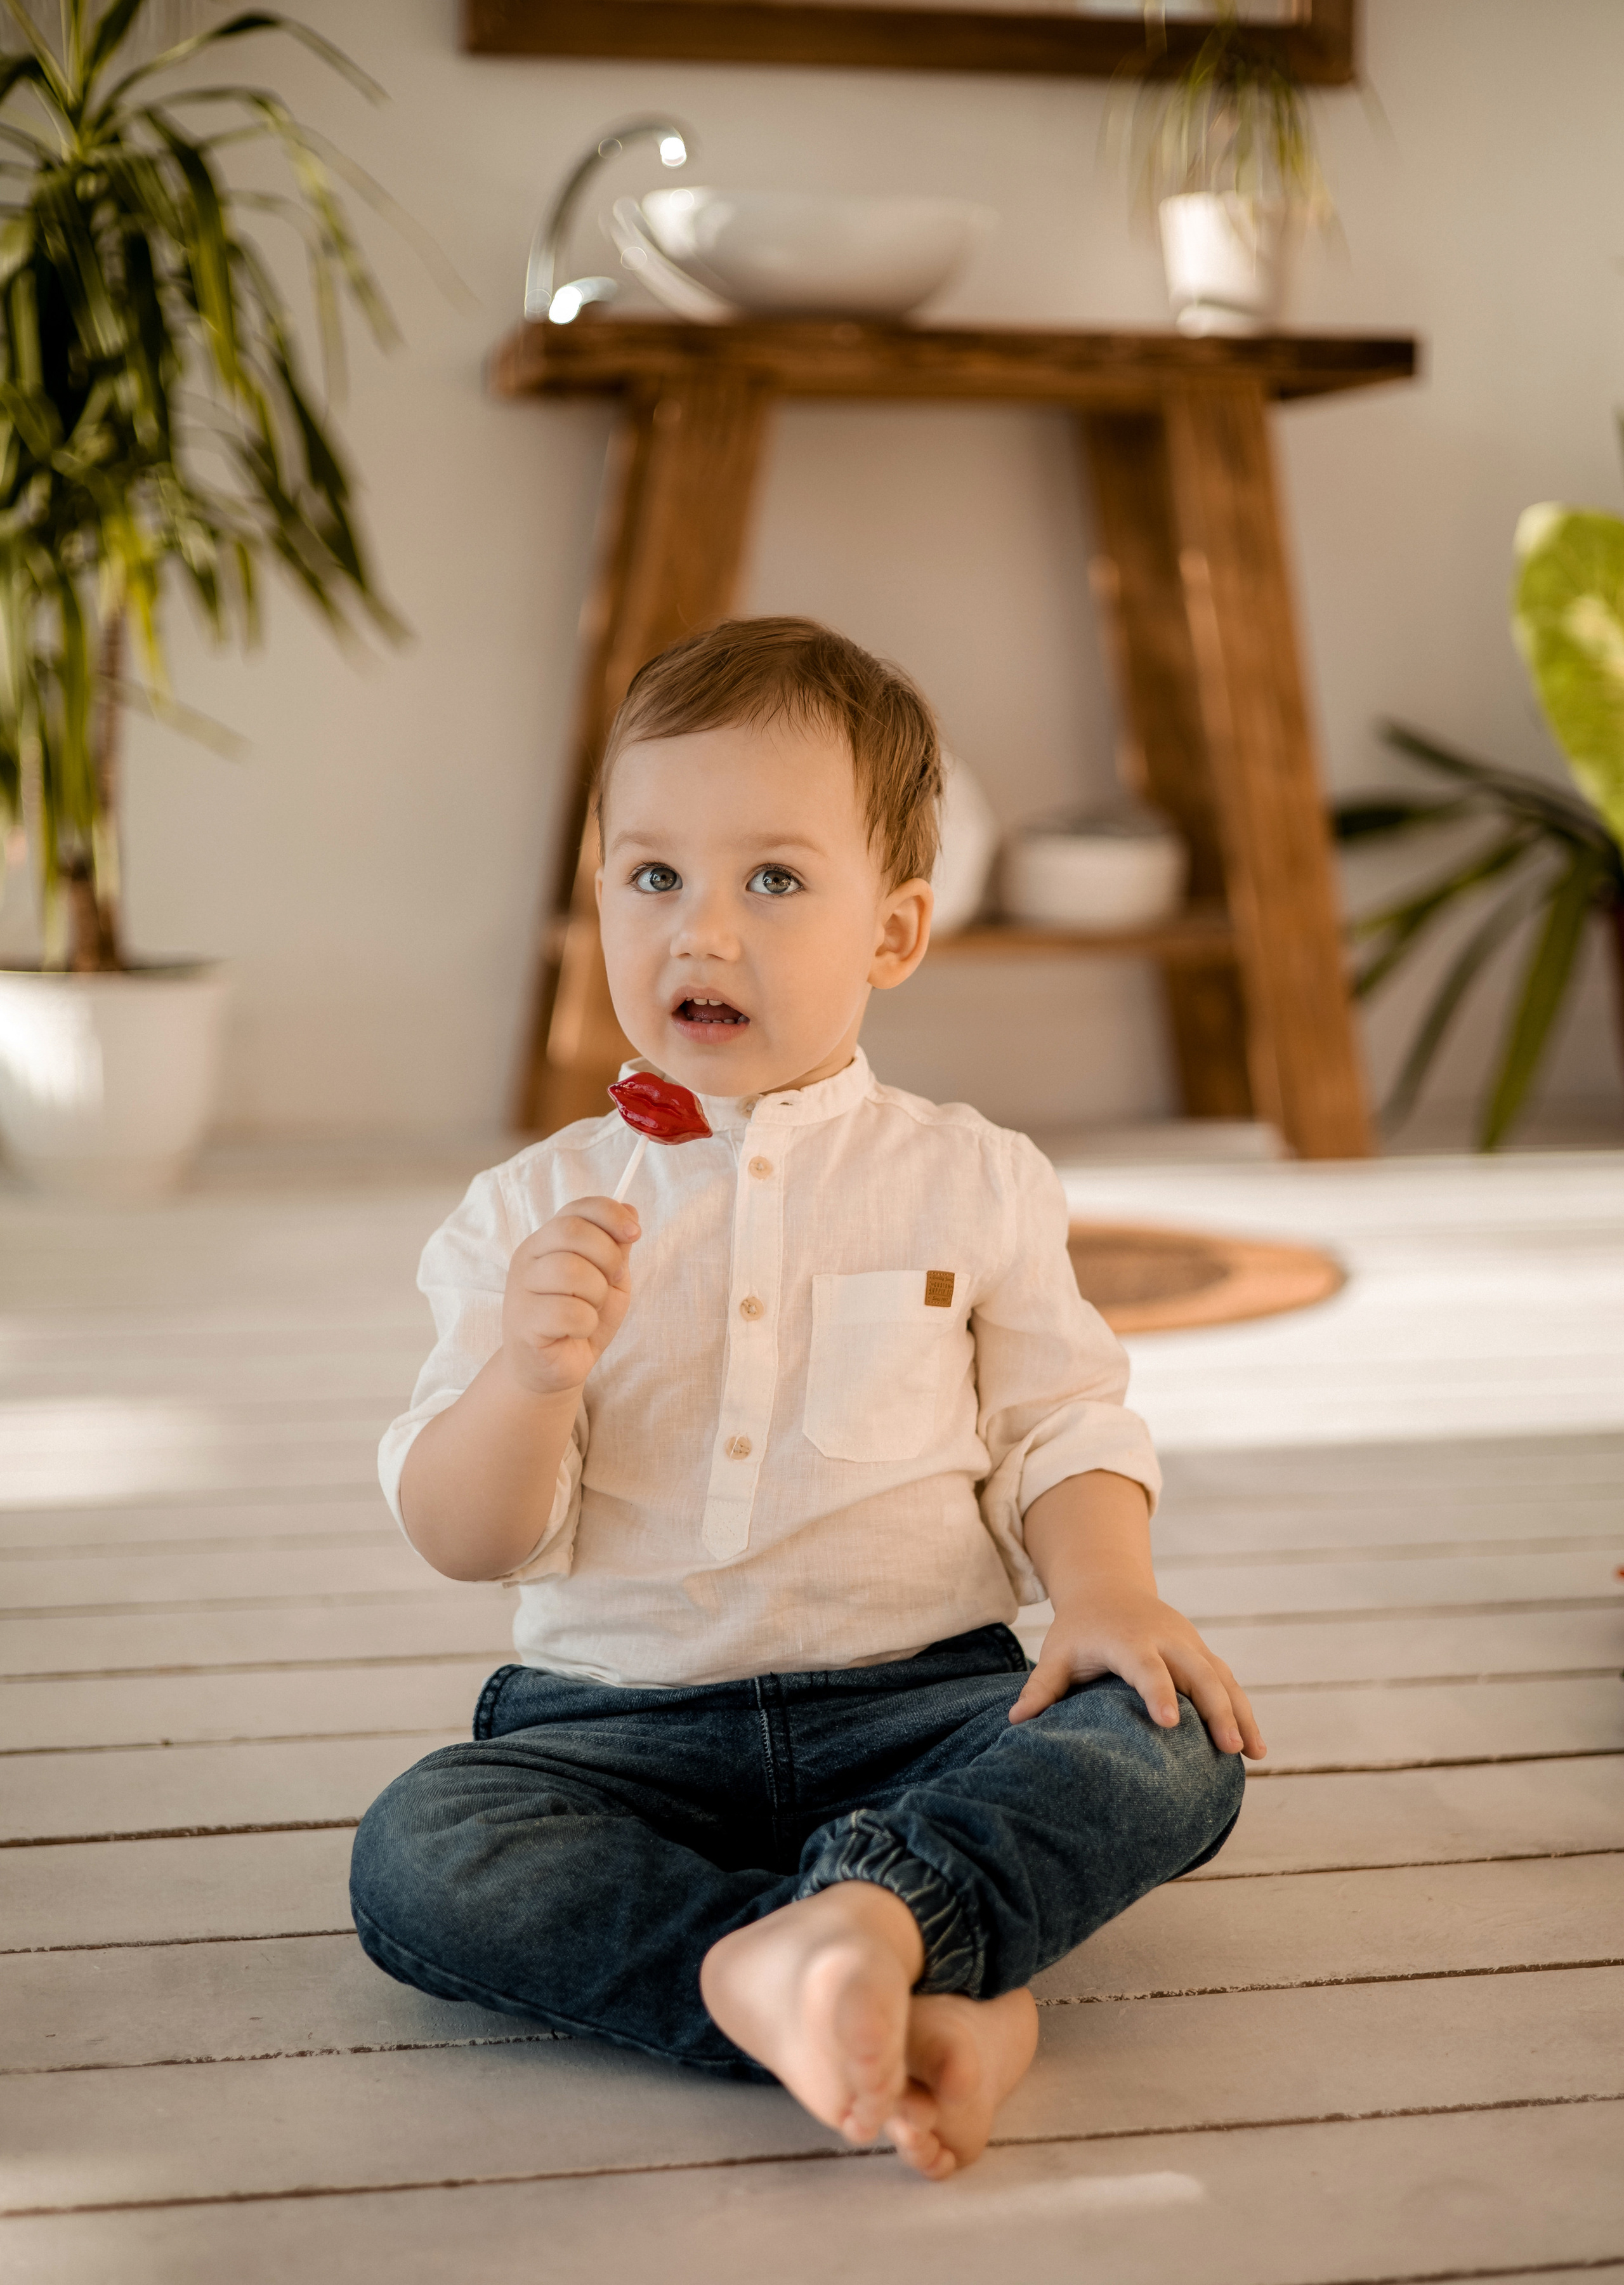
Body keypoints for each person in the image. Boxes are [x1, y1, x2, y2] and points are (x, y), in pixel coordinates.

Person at [351, 617, 1262, 2181]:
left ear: (894, 932)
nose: (701, 930)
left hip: (923, 1710)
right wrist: (526, 1375)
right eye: (653, 876)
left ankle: (840, 1948)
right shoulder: (525, 1215)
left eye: (772, 879)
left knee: (1167, 1738)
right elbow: (462, 1535)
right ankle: (908, 1972)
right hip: (613, 1734)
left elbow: (1060, 1423)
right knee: (420, 1851)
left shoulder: (970, 1178)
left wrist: (1108, 1593)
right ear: (597, 896)